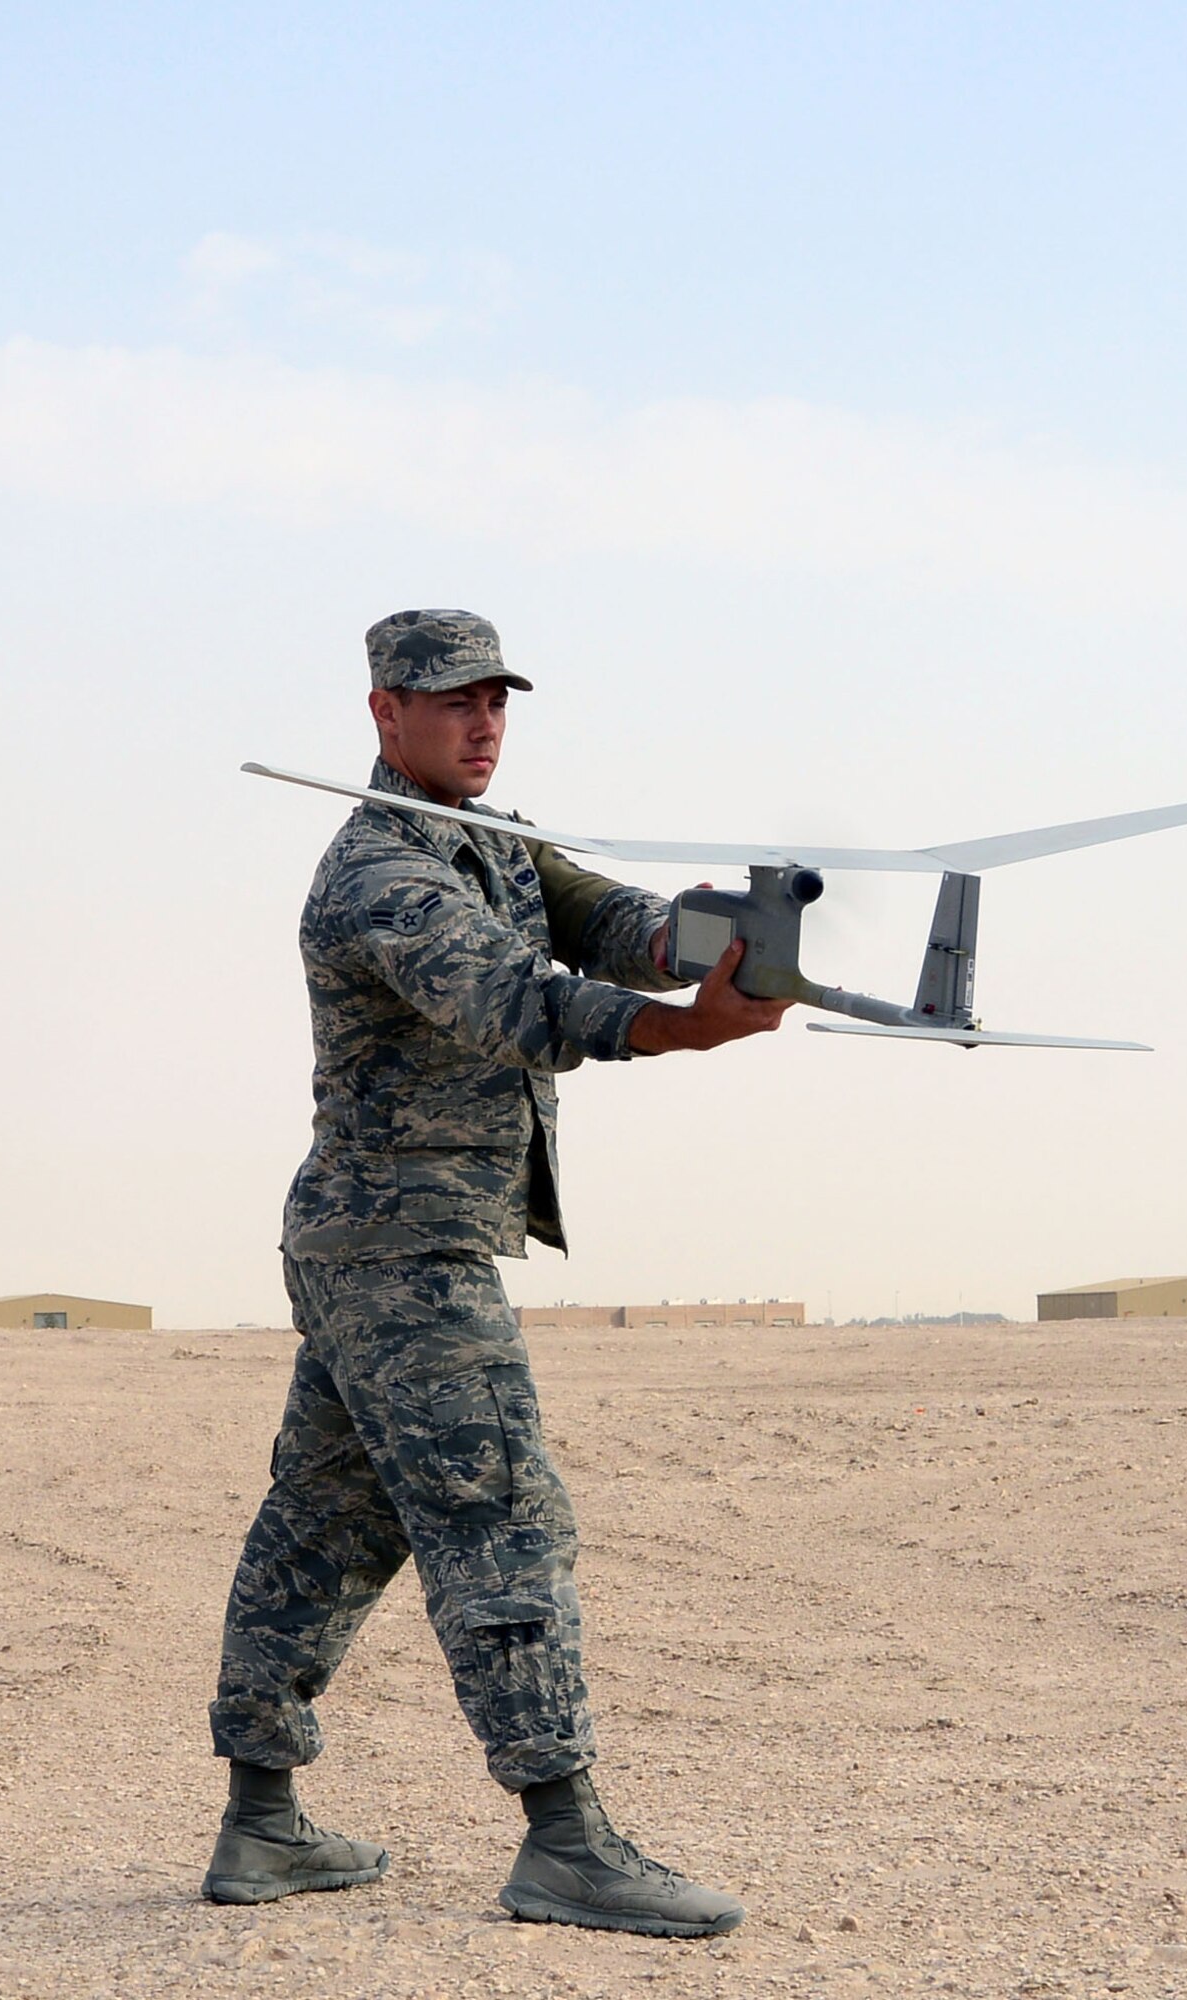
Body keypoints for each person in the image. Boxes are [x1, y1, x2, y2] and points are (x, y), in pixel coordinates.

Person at [203, 609, 790, 1936]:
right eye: (450, 702)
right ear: (382, 715)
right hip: (398, 1252)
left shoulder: (494, 844)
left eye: (494, 701)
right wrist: (680, 1033)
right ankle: (565, 1842)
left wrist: (739, 939)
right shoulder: (376, 875)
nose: (479, 724)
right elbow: (510, 999)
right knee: (502, 1518)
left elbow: (610, 921)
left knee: (326, 1526)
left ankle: (260, 1828)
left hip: (379, 1243)